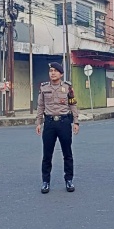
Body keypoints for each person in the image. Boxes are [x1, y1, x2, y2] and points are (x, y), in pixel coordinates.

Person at [36, 62, 79, 194]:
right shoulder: (43, 88)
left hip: (64, 122)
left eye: (55, 71)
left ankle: (69, 180)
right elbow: (40, 106)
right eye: (51, 71)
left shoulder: (67, 88)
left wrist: (76, 122)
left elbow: (73, 105)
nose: (52, 73)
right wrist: (39, 122)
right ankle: (45, 182)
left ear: (61, 74)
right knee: (47, 154)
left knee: (67, 153)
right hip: (49, 123)